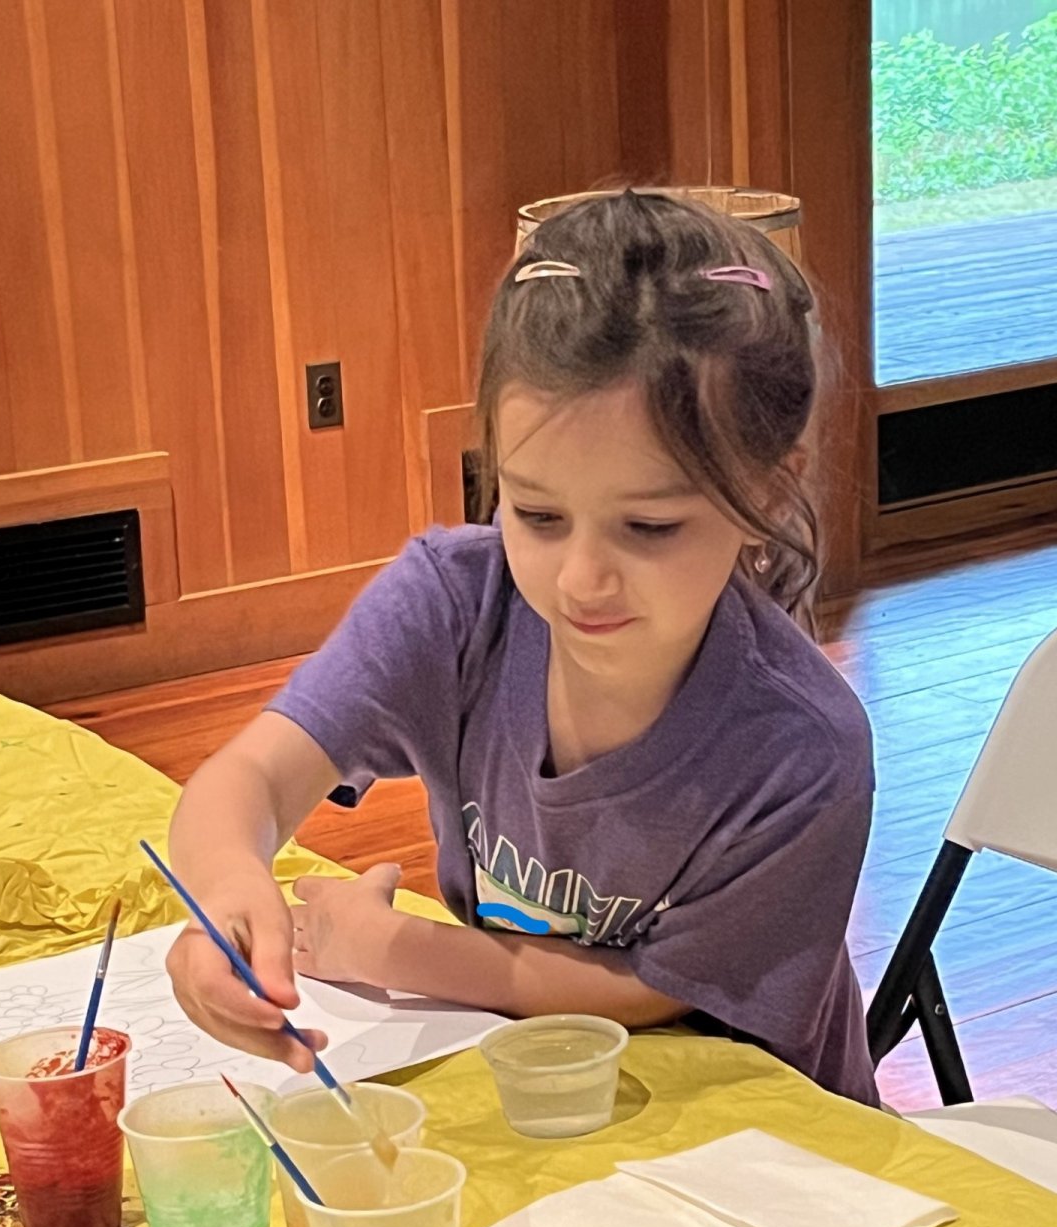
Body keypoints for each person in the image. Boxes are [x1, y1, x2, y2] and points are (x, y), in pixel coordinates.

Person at [164, 189, 879, 1106]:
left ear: (770, 496)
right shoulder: (454, 604)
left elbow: (659, 991)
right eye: (536, 513)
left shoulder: (802, 747)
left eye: (649, 527)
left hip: (761, 1142)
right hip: (547, 1103)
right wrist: (224, 897)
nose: (582, 578)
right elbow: (249, 779)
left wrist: (399, 950)